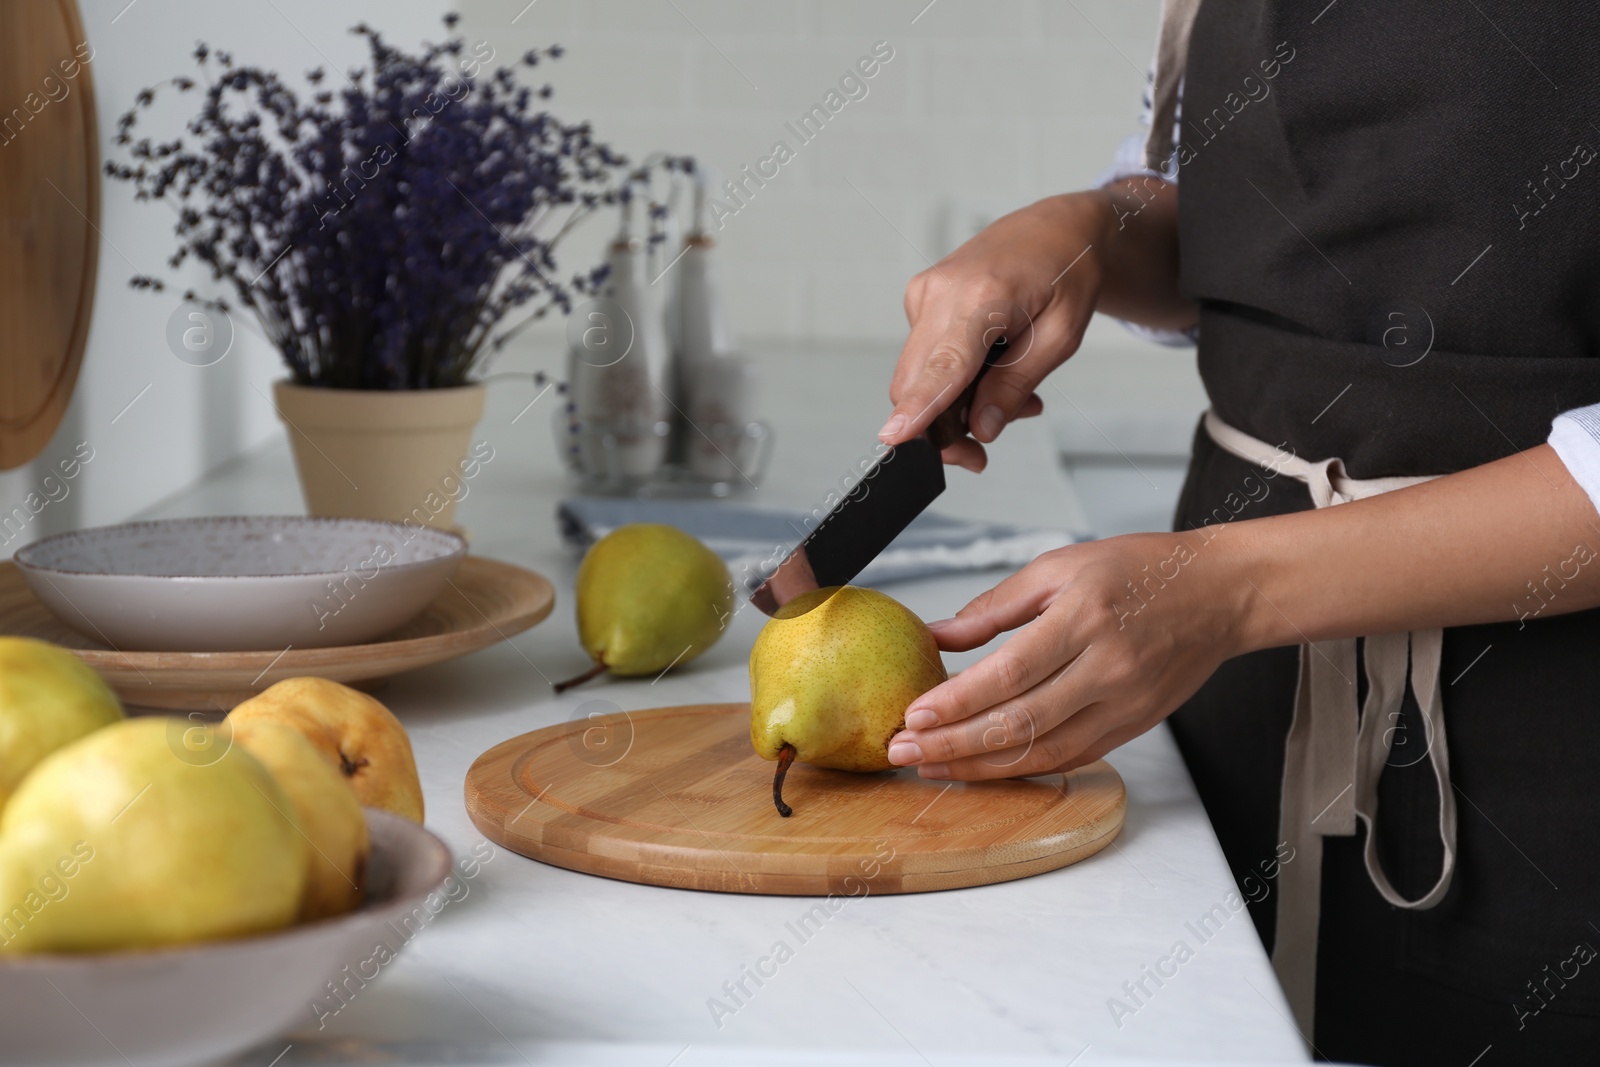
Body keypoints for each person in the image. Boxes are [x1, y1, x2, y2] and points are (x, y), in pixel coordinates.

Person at [876, 2, 1600, 1064]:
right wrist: (1086, 231)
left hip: (1555, 741)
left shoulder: (1218, 596)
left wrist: (1227, 590)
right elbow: (1243, 227)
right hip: (1237, 705)